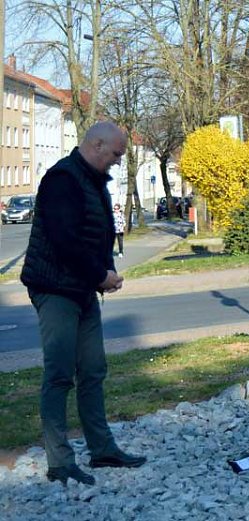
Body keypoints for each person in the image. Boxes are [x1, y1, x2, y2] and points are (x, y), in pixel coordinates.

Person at [21, 121, 147, 486]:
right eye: (116, 154)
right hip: (54, 288)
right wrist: (99, 275)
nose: (118, 161)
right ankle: (59, 461)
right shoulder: (62, 179)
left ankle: (102, 449)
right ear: (97, 145)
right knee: (60, 373)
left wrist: (106, 271)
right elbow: (65, 241)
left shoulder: (93, 180)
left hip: (82, 288)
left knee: (93, 370)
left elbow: (98, 234)